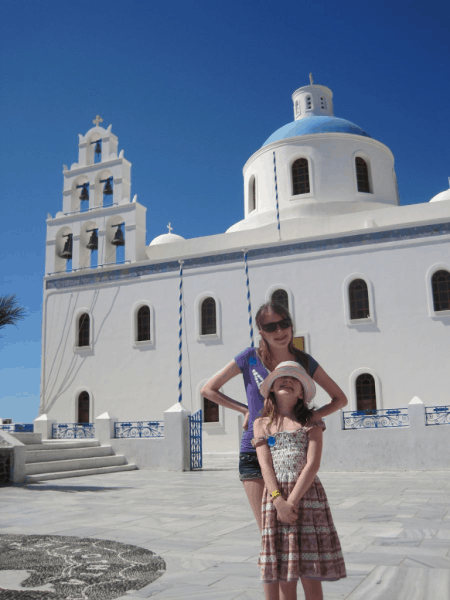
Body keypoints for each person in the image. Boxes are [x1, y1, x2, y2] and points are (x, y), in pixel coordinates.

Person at [200, 302, 347, 531]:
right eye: (271, 327)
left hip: (292, 454)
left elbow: (340, 398)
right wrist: (244, 410)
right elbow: (208, 389)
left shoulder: (304, 362)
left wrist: (309, 417)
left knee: (293, 530)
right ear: (261, 332)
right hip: (254, 450)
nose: (279, 331)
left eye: (284, 323)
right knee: (267, 532)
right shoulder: (249, 358)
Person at [253, 361, 346, 600]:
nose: (287, 380)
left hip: (307, 497)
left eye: (294, 378)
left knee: (310, 565)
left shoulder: (311, 420)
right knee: (285, 567)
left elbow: (313, 463)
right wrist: (278, 501)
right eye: (281, 377)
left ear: (302, 392)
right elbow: (265, 465)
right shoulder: (261, 424)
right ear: (271, 387)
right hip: (275, 499)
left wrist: (291, 501)